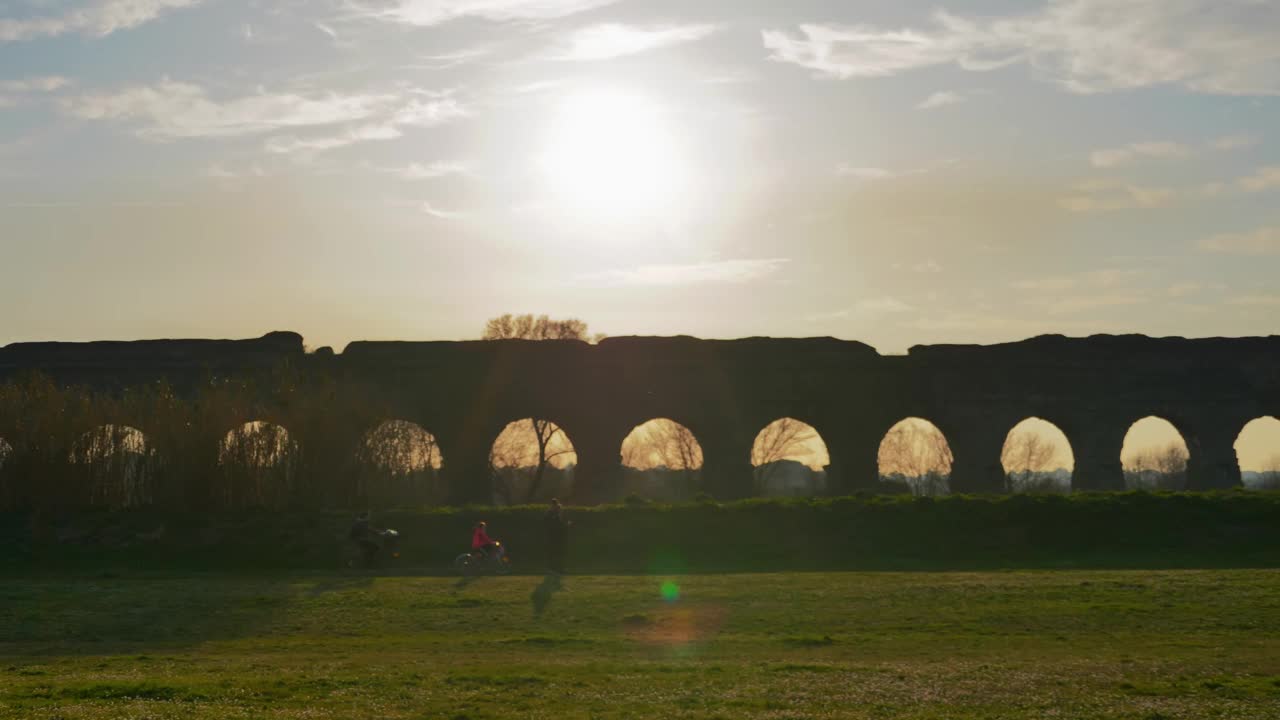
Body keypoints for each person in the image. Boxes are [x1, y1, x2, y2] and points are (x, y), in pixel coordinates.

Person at [544, 498, 571, 575]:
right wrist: (565, 525)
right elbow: (552, 526)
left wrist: (566, 525)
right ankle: (552, 569)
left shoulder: (557, 514)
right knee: (553, 553)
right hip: (552, 537)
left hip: (558, 537)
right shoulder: (549, 514)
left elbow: (560, 525)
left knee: (559, 553)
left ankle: (559, 569)